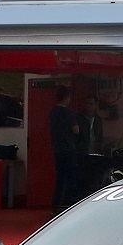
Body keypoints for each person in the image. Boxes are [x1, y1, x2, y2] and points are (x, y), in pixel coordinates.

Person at [48, 86, 81, 214]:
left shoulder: (52, 113)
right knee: (71, 178)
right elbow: (76, 130)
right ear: (67, 98)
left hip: (57, 149)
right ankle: (69, 205)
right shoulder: (68, 113)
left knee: (60, 178)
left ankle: (55, 206)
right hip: (69, 149)